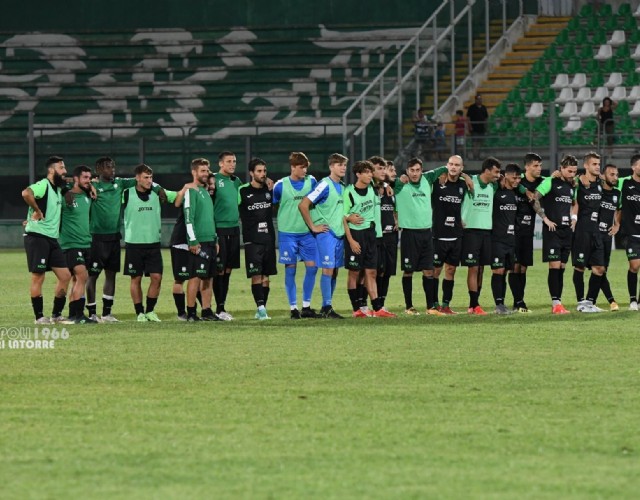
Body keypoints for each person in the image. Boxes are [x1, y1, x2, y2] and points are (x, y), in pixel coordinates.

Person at [86, 157, 167, 323]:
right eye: (108, 167)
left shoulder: (121, 184)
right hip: (95, 237)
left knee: (111, 275)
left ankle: (107, 313)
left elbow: (145, 180)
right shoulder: (92, 186)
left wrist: (159, 189)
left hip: (115, 237)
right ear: (99, 170)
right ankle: (92, 313)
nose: (112, 169)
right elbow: (72, 183)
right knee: (92, 275)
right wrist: (88, 184)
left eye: (113, 166)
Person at [122, 164, 176, 322]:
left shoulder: (158, 193)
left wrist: (189, 188)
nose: (149, 181)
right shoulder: (126, 194)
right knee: (136, 279)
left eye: (151, 178)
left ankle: (150, 311)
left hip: (153, 243)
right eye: (145, 177)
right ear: (137, 178)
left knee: (157, 278)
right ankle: (139, 312)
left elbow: (178, 196)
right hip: (133, 243)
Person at [22, 156, 72, 324]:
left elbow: (72, 181)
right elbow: (26, 193)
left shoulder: (58, 189)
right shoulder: (43, 185)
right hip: (37, 237)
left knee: (65, 276)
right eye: (61, 167)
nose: (64, 171)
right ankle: (39, 317)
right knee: (39, 276)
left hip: (51, 238)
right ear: (51, 170)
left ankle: (57, 315)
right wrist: (36, 209)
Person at [395, 157, 448, 315]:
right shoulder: (400, 184)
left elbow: (447, 167)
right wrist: (397, 179)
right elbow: (384, 181)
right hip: (409, 233)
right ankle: (409, 306)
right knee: (409, 271)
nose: (415, 173)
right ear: (407, 171)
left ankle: (430, 307)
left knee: (428, 271)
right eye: (412, 170)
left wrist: (446, 175)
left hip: (426, 232)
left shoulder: (428, 178)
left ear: (422, 170)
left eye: (418, 170)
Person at [343, 160, 395, 318]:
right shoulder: (349, 192)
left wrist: (387, 186)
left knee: (371, 272)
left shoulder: (373, 189)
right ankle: (356, 309)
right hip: (356, 236)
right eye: (366, 172)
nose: (369, 174)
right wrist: (351, 241)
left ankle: (377, 308)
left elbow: (382, 178)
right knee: (354, 273)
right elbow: (343, 218)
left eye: (370, 172)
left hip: (371, 234)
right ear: (358, 174)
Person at [298, 153, 348, 319]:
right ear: (331, 167)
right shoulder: (324, 185)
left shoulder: (343, 186)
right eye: (339, 164)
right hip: (326, 233)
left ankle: (327, 305)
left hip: (339, 234)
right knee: (327, 269)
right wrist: (313, 226)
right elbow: (303, 204)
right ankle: (326, 307)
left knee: (334, 271)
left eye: (344, 165)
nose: (342, 168)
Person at [273, 152, 321, 319]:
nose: (304, 171)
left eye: (306, 167)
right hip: (288, 234)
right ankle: (293, 308)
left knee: (313, 267)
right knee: (290, 271)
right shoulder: (280, 185)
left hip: (307, 233)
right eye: (301, 167)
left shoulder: (312, 181)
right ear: (293, 167)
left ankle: (306, 306)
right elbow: (272, 203)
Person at [532, 155, 578, 314]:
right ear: (561, 169)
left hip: (567, 231)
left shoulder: (572, 185)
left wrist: (574, 218)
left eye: (574, 171)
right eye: (569, 171)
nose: (572, 174)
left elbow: (574, 203)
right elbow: (534, 198)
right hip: (553, 231)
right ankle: (555, 303)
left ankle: (558, 302)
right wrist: (545, 219)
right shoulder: (550, 182)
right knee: (555, 266)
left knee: (562, 267)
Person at [174, 159, 219, 322]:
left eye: (207, 171)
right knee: (195, 277)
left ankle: (206, 311)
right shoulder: (191, 191)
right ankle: (192, 313)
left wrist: (216, 239)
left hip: (210, 241)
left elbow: (210, 218)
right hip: (198, 242)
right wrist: (192, 240)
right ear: (194, 172)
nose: (206, 174)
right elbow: (188, 218)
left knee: (208, 278)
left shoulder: (205, 192)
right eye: (202, 171)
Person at [461, 157, 502, 315]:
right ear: (487, 170)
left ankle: (475, 304)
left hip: (487, 231)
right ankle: (473, 304)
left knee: (482, 269)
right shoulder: (469, 182)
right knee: (473, 268)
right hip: (471, 230)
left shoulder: (494, 185)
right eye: (496, 171)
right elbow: (453, 173)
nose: (498, 175)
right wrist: (464, 175)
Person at [431, 155, 472, 314]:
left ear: (462, 168)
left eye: (457, 165)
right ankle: (433, 303)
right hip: (438, 235)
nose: (453, 167)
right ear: (446, 165)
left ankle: (446, 304)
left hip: (456, 234)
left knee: (451, 271)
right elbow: (424, 176)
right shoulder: (437, 182)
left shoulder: (463, 185)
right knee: (435, 270)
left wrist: (466, 176)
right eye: (451, 164)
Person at [238, 158, 277, 320]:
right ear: (251, 173)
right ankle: (260, 308)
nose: (262, 174)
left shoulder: (270, 190)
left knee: (266, 276)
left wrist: (274, 189)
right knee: (256, 275)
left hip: (268, 238)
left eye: (264, 171)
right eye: (259, 171)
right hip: (252, 239)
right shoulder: (242, 191)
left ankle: (262, 308)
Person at [58, 165, 98, 324]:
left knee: (77, 280)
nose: (88, 180)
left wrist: (92, 186)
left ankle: (73, 315)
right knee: (82, 276)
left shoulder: (88, 194)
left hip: (86, 242)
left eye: (89, 178)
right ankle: (79, 315)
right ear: (76, 179)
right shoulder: (65, 196)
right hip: (70, 243)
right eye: (85, 178)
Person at [572, 152, 607, 313]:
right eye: (594, 164)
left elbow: (617, 181)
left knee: (600, 269)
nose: (597, 167)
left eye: (598, 164)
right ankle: (581, 302)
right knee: (579, 267)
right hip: (582, 230)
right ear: (585, 165)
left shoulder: (601, 182)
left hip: (596, 231)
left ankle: (590, 302)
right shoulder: (577, 182)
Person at [211, 151, 243, 321]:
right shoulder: (213, 180)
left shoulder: (236, 181)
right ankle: (218, 308)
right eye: (229, 161)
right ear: (221, 164)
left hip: (234, 229)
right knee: (219, 269)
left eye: (234, 161)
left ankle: (221, 306)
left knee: (228, 269)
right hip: (219, 230)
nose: (232, 164)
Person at [510, 153, 544, 313]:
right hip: (513, 231)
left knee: (523, 268)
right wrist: (523, 189)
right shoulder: (517, 180)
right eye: (536, 166)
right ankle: (518, 301)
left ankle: (519, 301)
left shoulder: (541, 182)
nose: (539, 168)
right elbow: (505, 180)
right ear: (527, 167)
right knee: (514, 267)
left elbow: (554, 182)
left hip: (528, 231)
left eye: (540, 165)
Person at [490, 163, 521, 314]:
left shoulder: (516, 195)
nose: (517, 180)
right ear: (506, 176)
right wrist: (497, 181)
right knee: (498, 270)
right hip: (497, 239)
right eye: (514, 177)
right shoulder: (496, 191)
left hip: (511, 240)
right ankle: (498, 304)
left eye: (518, 178)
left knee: (506, 272)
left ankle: (502, 304)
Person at [594, 163, 621, 310]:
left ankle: (590, 301)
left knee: (602, 270)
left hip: (607, 237)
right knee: (599, 269)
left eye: (616, 175)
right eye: (612, 174)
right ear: (603, 176)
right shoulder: (596, 190)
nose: (615, 177)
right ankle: (611, 300)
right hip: (594, 235)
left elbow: (619, 209)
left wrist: (617, 224)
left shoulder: (617, 193)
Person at [617, 153, 640, 310]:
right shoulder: (624, 183)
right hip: (631, 232)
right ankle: (632, 300)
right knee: (635, 265)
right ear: (633, 167)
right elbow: (606, 181)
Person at [379, 160, 399, 310]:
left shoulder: (392, 190)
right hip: (378, 237)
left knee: (387, 272)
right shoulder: (374, 189)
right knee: (375, 271)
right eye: (391, 170)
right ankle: (366, 304)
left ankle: (381, 304)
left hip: (391, 236)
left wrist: (397, 220)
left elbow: (394, 209)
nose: (394, 173)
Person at [466, 95, 489, 160]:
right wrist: (470, 126)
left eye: (480, 99)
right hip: (474, 128)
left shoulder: (484, 107)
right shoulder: (472, 107)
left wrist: (486, 126)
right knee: (475, 143)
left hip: (481, 128)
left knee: (480, 143)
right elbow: (468, 118)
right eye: (478, 99)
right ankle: (475, 156)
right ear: (475, 100)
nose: (479, 100)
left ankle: (479, 155)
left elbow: (486, 118)